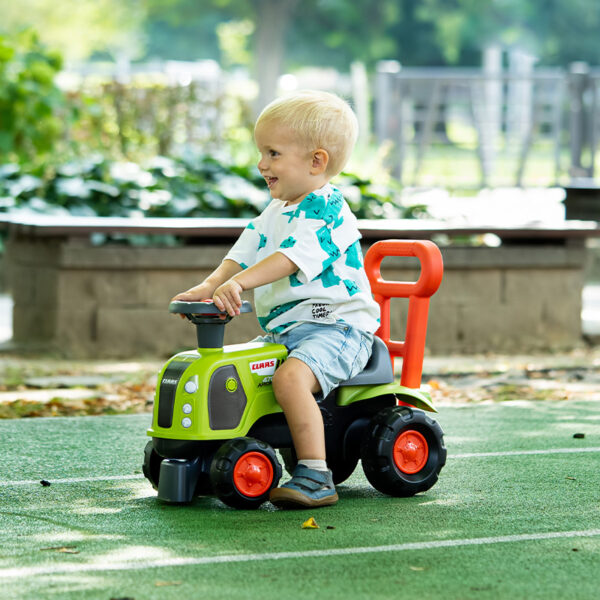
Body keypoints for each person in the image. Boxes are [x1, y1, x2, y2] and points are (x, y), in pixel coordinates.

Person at [171, 90, 380, 508]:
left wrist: (241, 286)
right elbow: (243, 253)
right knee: (243, 372)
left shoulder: (327, 211)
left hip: (338, 327)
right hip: (291, 331)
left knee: (288, 379)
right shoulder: (278, 210)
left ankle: (317, 474)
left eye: (272, 153)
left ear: (315, 162)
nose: (261, 164)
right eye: (261, 152)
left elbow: (287, 260)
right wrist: (210, 286)